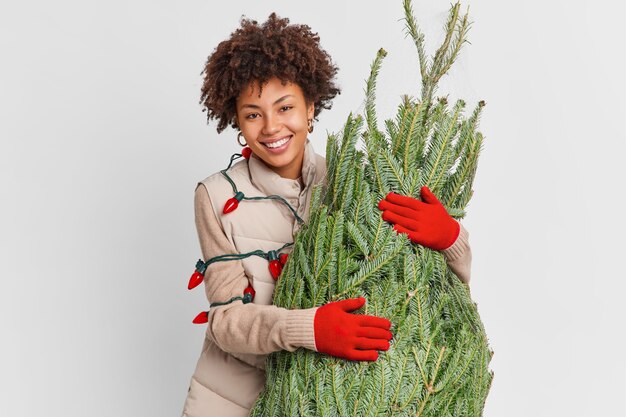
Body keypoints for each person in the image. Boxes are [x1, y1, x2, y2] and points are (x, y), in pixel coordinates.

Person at [181, 13, 472, 417]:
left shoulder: (354, 182)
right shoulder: (215, 196)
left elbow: (428, 291)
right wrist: (309, 329)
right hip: (235, 402)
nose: (271, 127)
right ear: (237, 123)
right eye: (253, 114)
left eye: (285, 107)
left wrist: (451, 240)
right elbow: (225, 323)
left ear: (311, 106)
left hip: (327, 400)